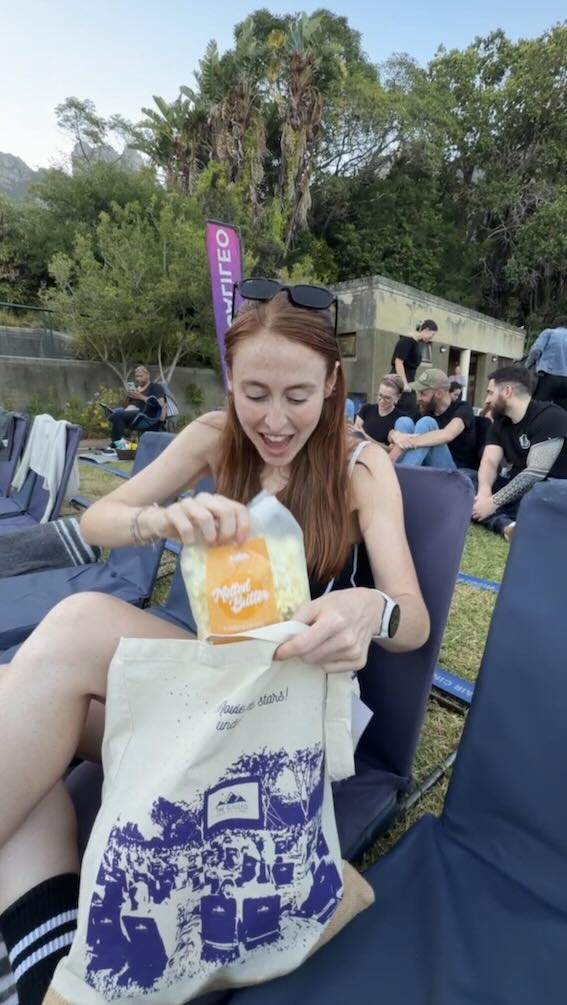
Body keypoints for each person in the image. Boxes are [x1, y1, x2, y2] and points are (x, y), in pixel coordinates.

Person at [0, 284, 429, 1005]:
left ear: (331, 384)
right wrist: (160, 521)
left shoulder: (359, 468)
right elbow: (105, 516)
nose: (272, 418)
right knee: (20, 704)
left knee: (73, 629)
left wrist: (370, 608)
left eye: (296, 394)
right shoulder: (212, 436)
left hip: (283, 724)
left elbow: (412, 617)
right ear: (231, 382)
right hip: (203, 694)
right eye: (253, 391)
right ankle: (46, 977)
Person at [472, 365, 567, 539]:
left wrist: (493, 502)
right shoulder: (500, 421)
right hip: (514, 488)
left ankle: (500, 518)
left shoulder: (551, 416)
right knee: (466, 479)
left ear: (507, 391)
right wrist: (485, 491)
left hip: (547, 492)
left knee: (528, 501)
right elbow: (489, 461)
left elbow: (534, 473)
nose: (486, 400)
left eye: (490, 392)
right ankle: (507, 526)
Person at [388, 368, 477, 472]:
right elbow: (393, 433)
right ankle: (397, 473)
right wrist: (395, 435)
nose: (418, 398)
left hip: (454, 474)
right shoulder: (427, 410)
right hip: (427, 469)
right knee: (403, 421)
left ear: (438, 394)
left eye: (423, 394)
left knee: (427, 423)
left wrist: (408, 441)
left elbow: (448, 434)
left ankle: (399, 475)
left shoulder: (462, 408)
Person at [108, 366, 167, 446]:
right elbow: (124, 405)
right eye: (137, 376)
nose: (138, 379)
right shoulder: (135, 388)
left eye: (141, 376)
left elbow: (160, 403)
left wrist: (140, 397)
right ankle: (120, 444)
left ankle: (115, 445)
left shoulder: (155, 387)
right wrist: (128, 396)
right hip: (129, 413)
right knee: (113, 413)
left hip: (144, 415)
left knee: (117, 415)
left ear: (148, 376)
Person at [390, 320, 438, 417]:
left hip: (408, 383)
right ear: (426, 329)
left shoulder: (416, 343)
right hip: (400, 383)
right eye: (432, 335)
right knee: (406, 412)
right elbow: (398, 362)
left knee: (411, 411)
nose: (431, 338)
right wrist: (404, 384)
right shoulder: (407, 341)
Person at [525, 316, 567, 410]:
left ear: (556, 324)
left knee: (538, 408)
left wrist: (527, 365)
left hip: (548, 376)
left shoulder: (549, 332)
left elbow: (536, 351)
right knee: (563, 412)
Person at [354, 375, 404, 447]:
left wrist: (365, 436)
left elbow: (390, 451)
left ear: (398, 397)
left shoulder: (400, 420)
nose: (382, 400)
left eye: (387, 398)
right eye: (380, 395)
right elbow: (355, 436)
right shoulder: (367, 409)